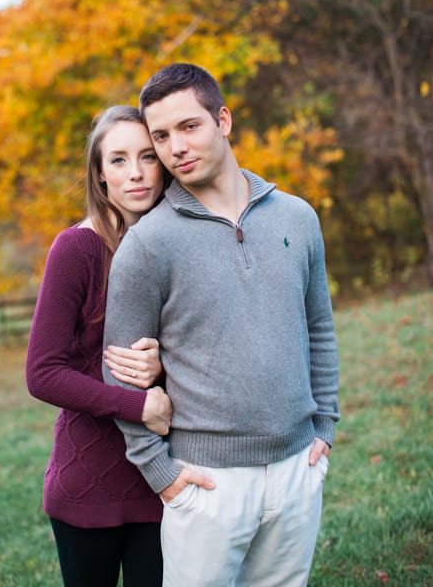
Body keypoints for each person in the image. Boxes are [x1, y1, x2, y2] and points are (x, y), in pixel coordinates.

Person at [102, 64, 340, 587]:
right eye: (160, 136)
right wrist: (162, 475)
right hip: (205, 484)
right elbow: (119, 370)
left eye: (189, 126)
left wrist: (325, 422)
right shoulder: (149, 244)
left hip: (299, 467)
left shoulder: (297, 217)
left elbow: (319, 327)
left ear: (223, 120)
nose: (175, 147)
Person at [26, 106, 173, 587]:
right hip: (89, 480)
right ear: (99, 174)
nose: (135, 173)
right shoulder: (77, 249)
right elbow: (43, 372)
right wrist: (138, 405)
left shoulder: (179, 244)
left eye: (148, 157)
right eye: (118, 160)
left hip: (165, 475)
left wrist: (162, 363)